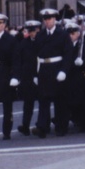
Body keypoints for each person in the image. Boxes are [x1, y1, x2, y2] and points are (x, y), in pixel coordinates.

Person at [32, 8, 68, 138]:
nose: (47, 21)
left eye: (50, 19)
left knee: (59, 100)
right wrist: (35, 74)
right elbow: (35, 56)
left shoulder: (62, 34)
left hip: (57, 67)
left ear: (55, 19)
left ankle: (61, 126)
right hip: (44, 69)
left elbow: (67, 54)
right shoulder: (40, 35)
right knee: (43, 100)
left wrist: (64, 71)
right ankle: (42, 127)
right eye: (45, 19)